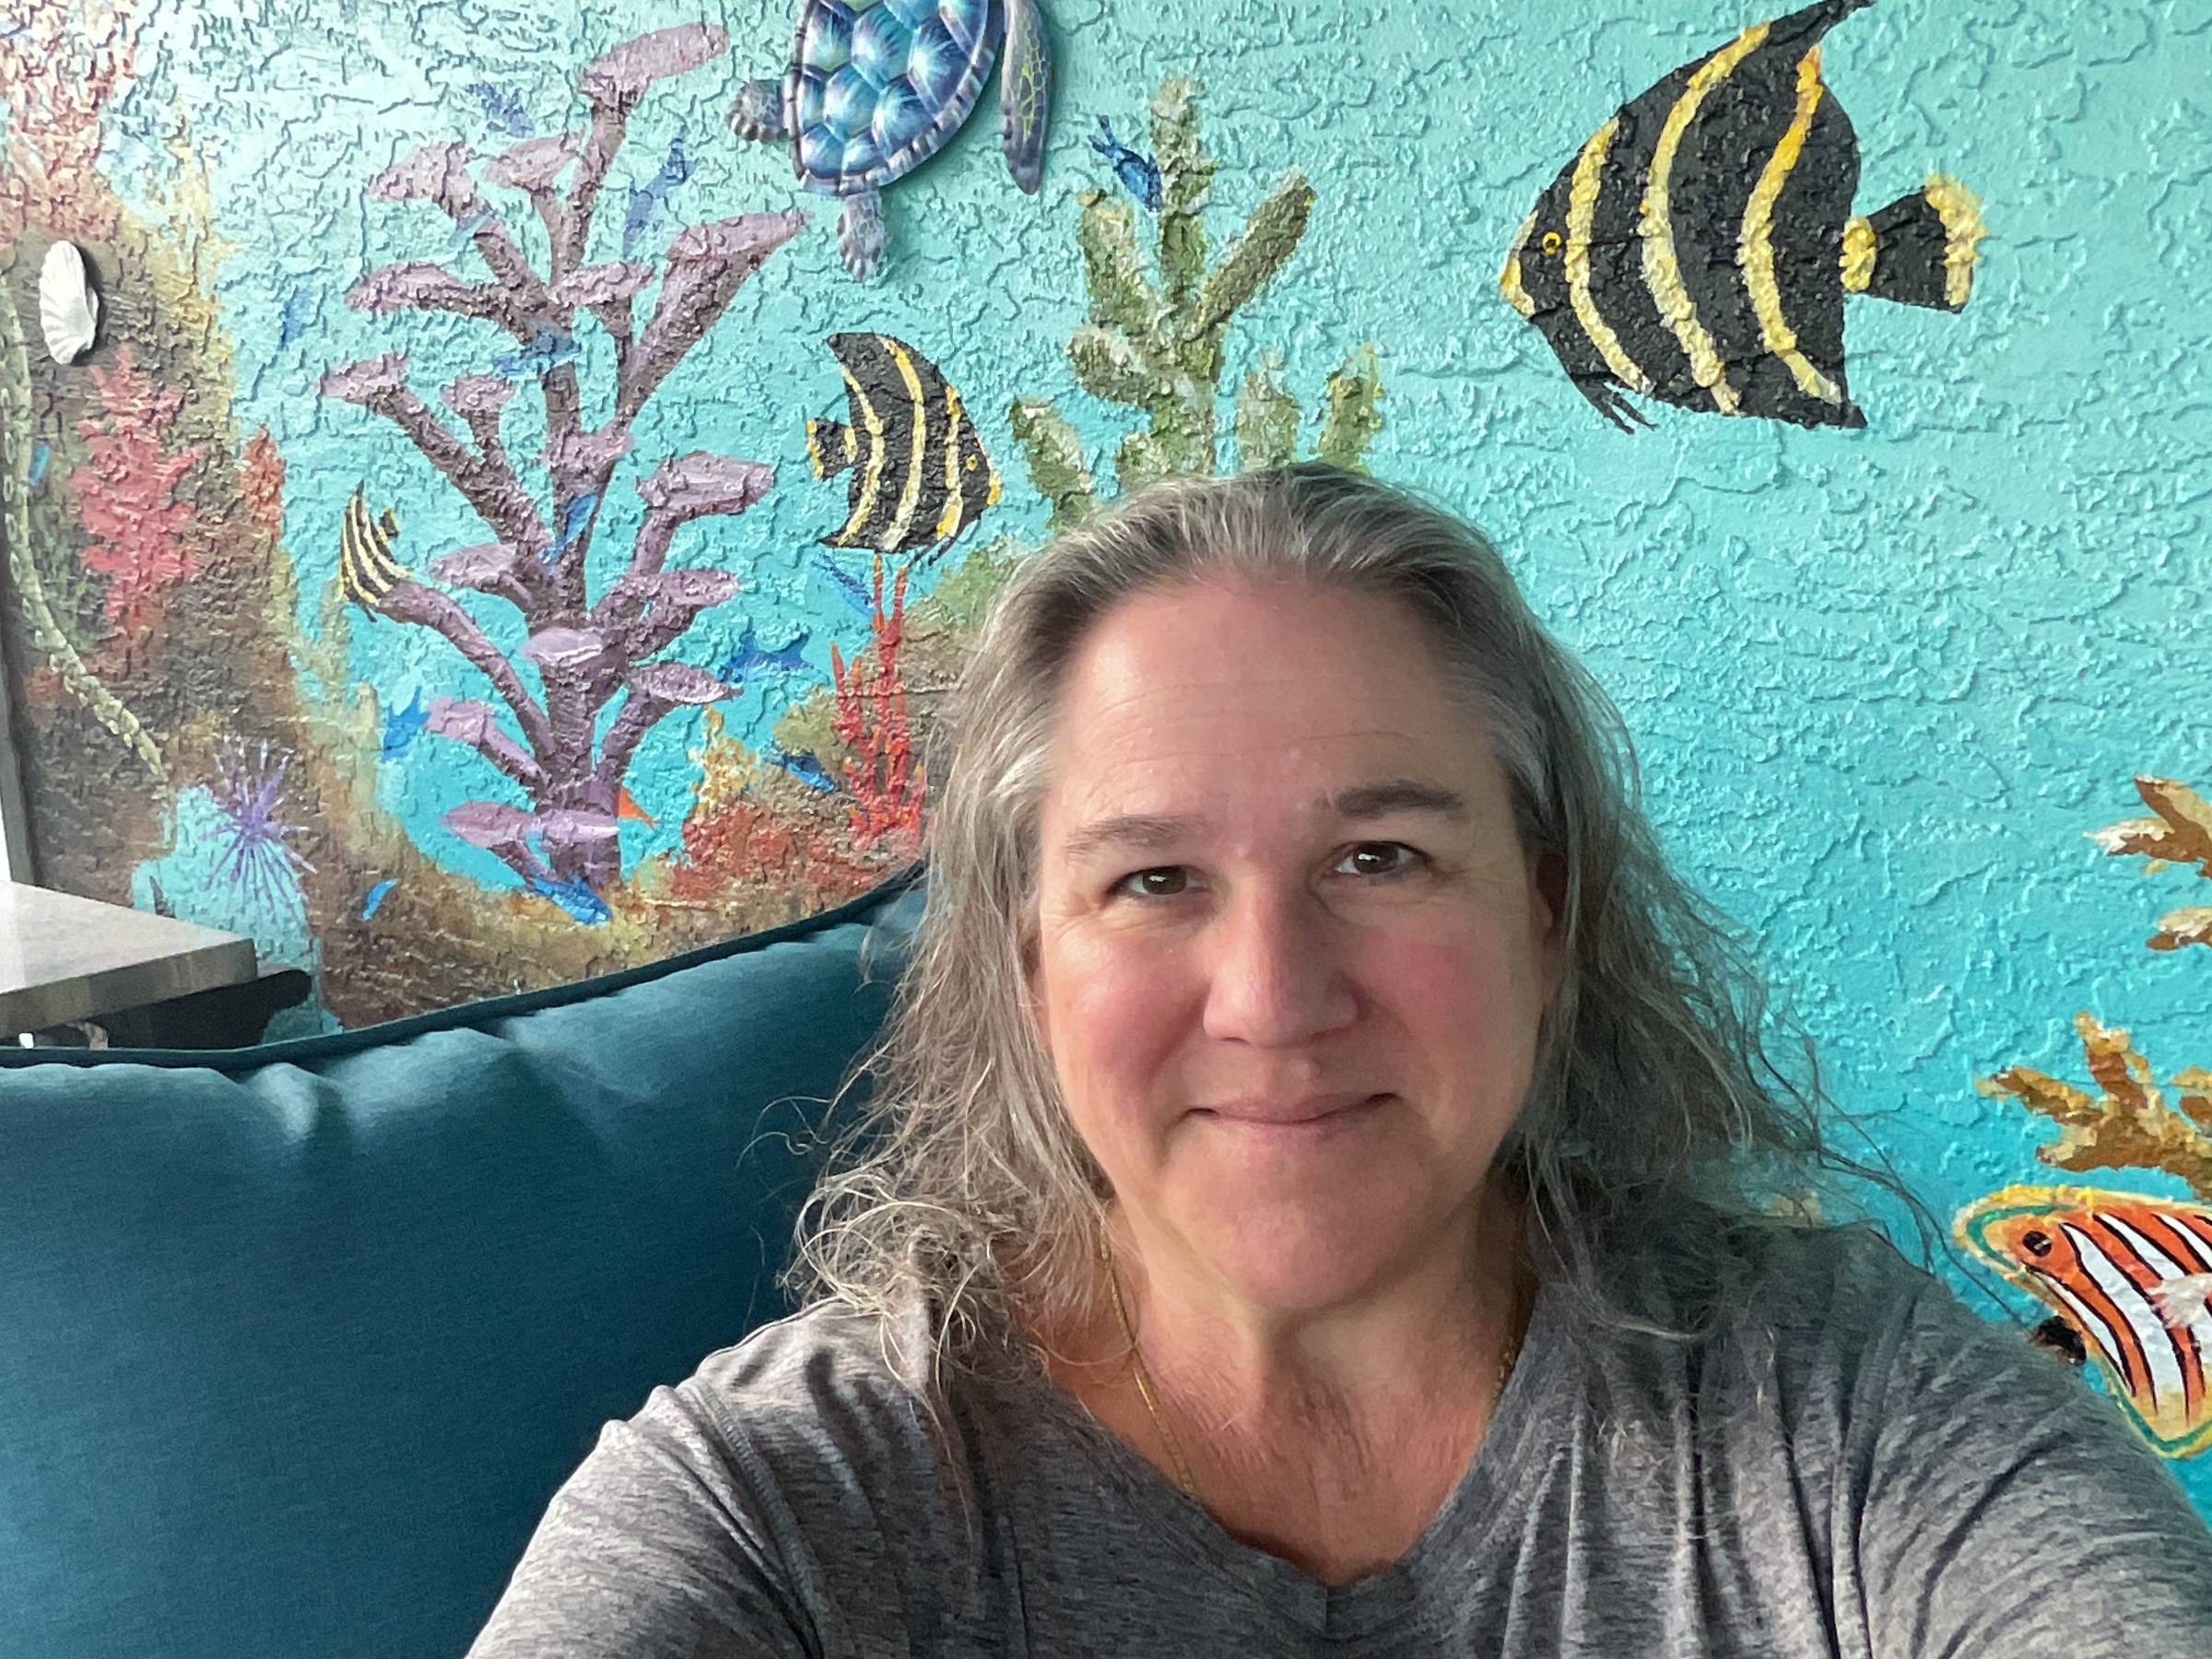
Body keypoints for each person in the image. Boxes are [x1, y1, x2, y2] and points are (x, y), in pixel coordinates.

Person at [468, 465, 2212, 1654]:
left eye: (1380, 858)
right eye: (1152, 881)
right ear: (1027, 968)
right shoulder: (784, 1512)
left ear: (1544, 915)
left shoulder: (1848, 1426)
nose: (1273, 994)